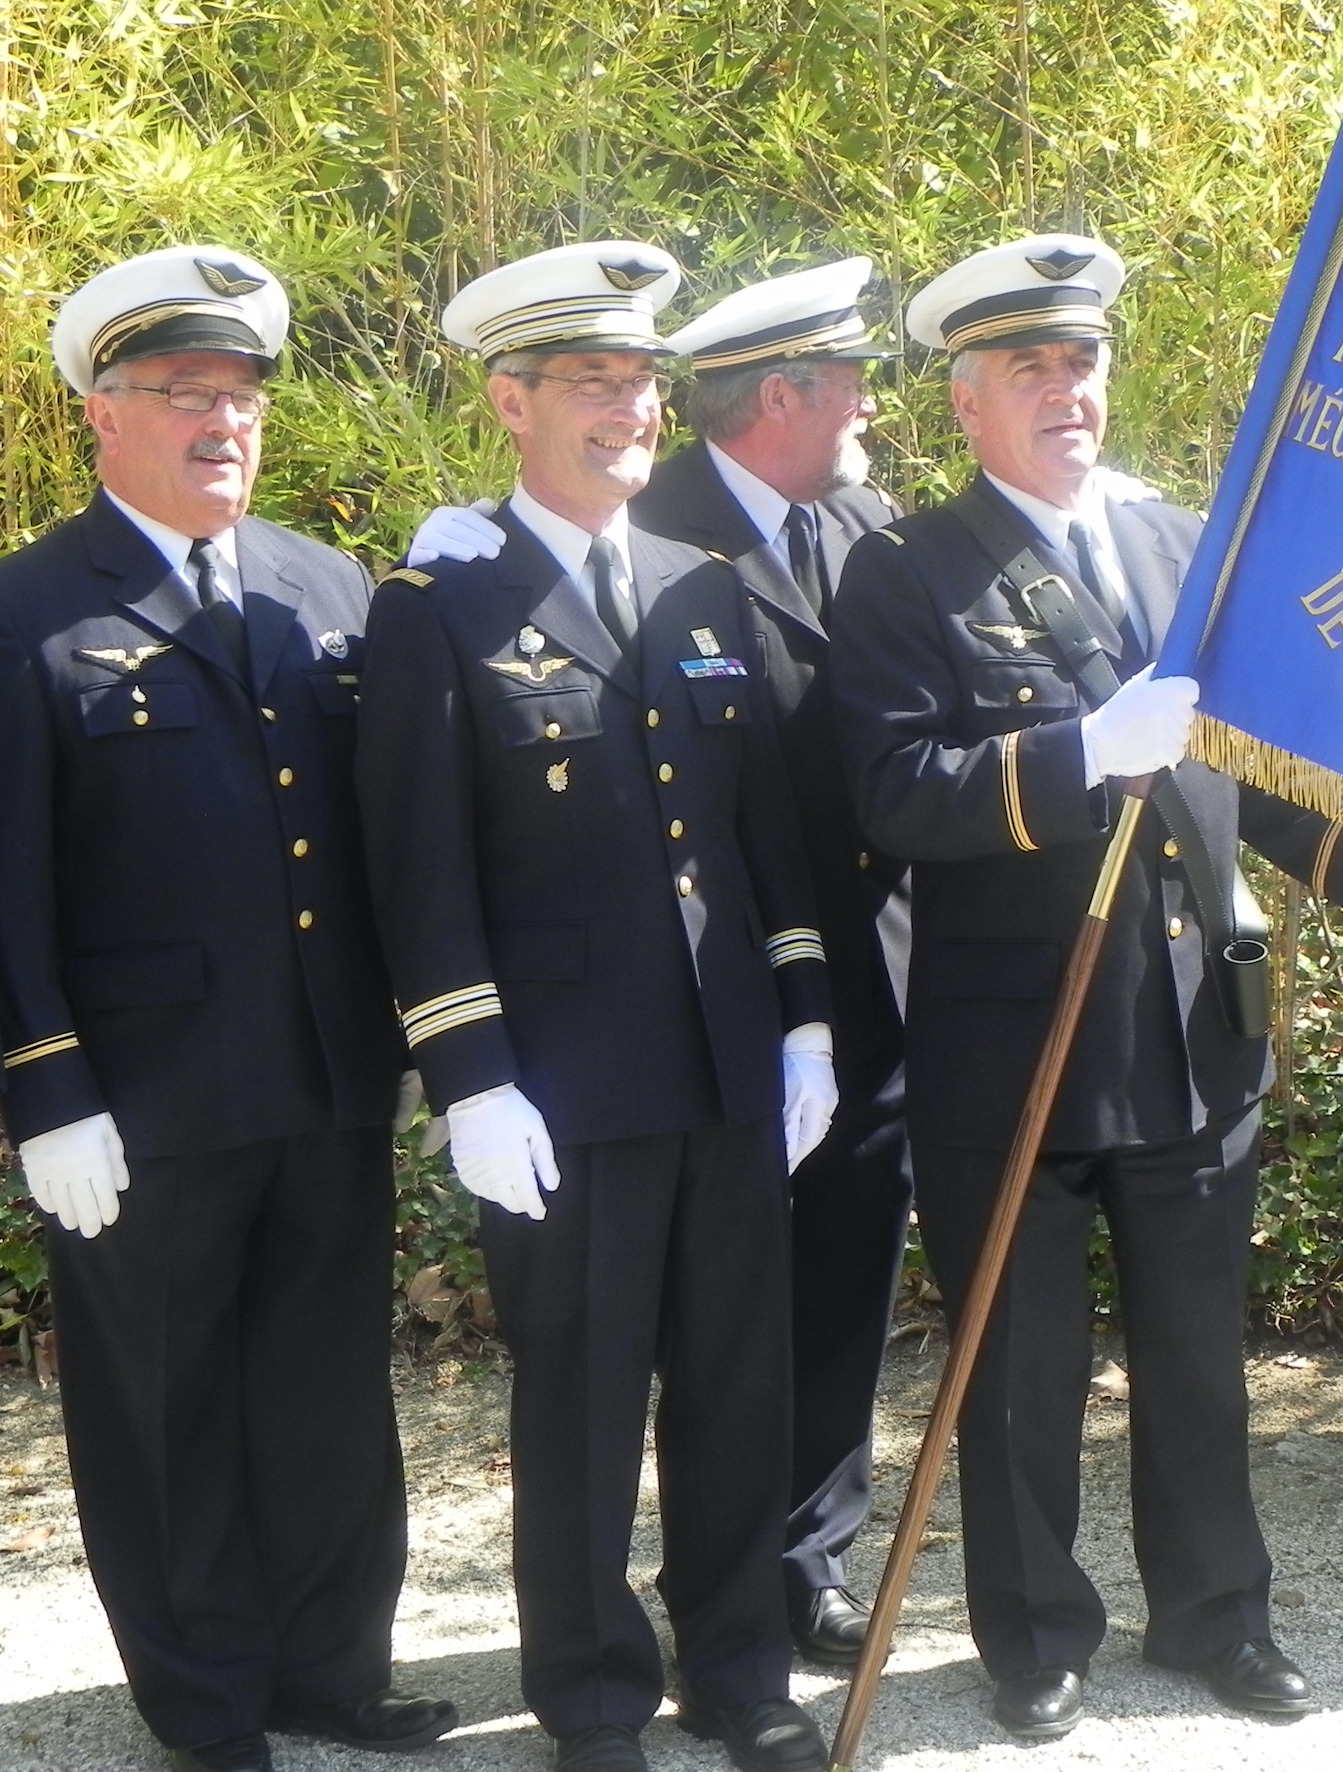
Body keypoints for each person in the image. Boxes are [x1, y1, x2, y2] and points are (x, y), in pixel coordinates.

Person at [828, 234, 1343, 1740]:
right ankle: (1032, 1635)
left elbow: (1261, 769)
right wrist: (1074, 757)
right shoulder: (907, 573)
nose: (1063, 389)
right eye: (1027, 366)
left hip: (1187, 1030)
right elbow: (895, 793)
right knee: (1019, 1375)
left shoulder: (1185, 548)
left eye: (1079, 360)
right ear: (962, 398)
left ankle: (1218, 1616)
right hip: (1009, 1045)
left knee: (1198, 1358)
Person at [353, 242, 837, 1772]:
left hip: (723, 1062)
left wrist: (808, 1016)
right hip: (560, 1089)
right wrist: (468, 1074)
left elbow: (766, 839)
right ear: (512, 400)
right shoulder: (435, 608)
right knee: (578, 1400)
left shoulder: (704, 589)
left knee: (736, 1382)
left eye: (640, 382)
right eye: (592, 383)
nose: (627, 410)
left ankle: (737, 1667)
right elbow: (416, 868)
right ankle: (592, 1691)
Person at [0, 246, 455, 1772]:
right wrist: (42, 1083)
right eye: (182, 394)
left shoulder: (328, 590)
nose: (222, 423)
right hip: (143, 1100)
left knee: (327, 1388)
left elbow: (398, 836)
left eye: (243, 396)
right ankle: (204, 1697)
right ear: (100, 417)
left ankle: (333, 1664)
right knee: (167, 1404)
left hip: (326, 1072)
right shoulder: (28, 610)